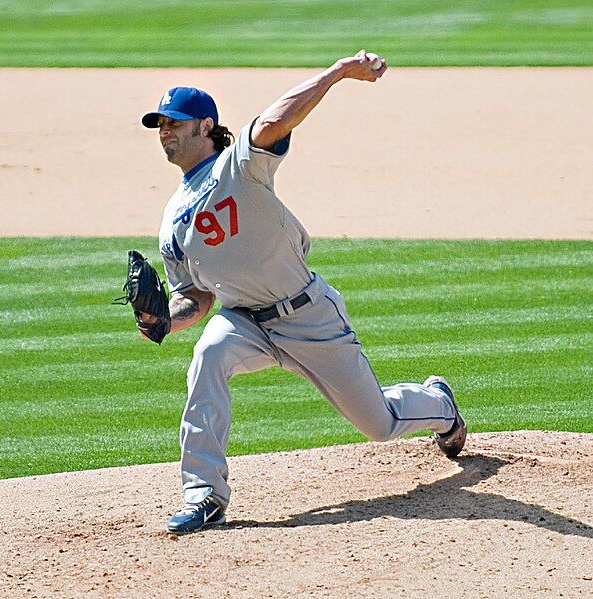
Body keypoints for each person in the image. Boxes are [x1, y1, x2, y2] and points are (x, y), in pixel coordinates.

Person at [139, 50, 467, 534]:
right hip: (243, 321)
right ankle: (204, 492)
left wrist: (336, 74)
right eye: (160, 123)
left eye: (175, 122)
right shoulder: (171, 218)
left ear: (205, 126)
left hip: (307, 314)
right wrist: (164, 319)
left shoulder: (240, 166)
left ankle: (439, 404)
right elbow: (196, 297)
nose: (165, 130)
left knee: (379, 425)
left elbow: (275, 119)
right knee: (209, 354)